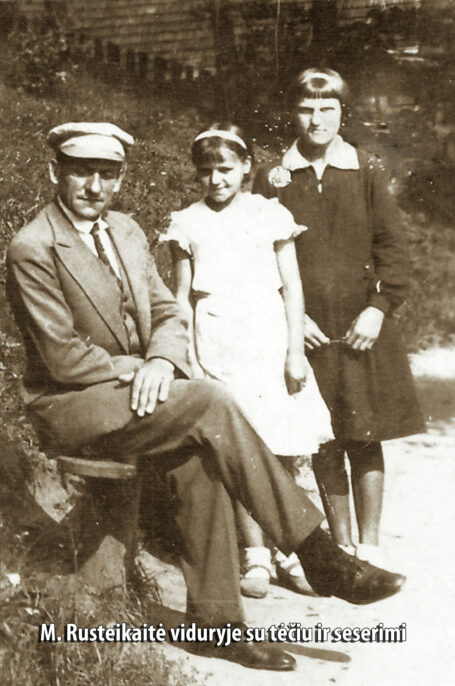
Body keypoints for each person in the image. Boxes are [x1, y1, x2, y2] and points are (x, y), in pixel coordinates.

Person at [7, 122, 406, 672]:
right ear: (56, 173)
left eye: (107, 174)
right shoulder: (32, 247)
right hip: (74, 404)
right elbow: (62, 357)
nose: (95, 187)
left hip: (143, 393)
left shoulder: (125, 230)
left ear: (120, 179)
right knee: (210, 402)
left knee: (201, 454)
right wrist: (144, 369)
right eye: (81, 172)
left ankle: (217, 625)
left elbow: (167, 312)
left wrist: (162, 360)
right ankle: (318, 553)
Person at [253, 68, 425, 568]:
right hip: (306, 331)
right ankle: (343, 546)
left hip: (360, 329)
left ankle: (369, 545)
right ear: (293, 112)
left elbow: (393, 249)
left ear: (342, 113)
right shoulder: (274, 176)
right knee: (323, 434)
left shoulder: (365, 169)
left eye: (327, 109)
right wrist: (291, 318)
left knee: (364, 435)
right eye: (306, 109)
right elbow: (259, 254)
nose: (317, 120)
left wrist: (378, 308)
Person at [162, 122, 333, 599]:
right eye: (205, 170)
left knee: (280, 445)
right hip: (217, 342)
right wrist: (189, 359)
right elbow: (182, 297)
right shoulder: (187, 222)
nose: (215, 179)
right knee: (237, 450)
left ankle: (290, 551)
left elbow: (291, 286)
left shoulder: (269, 214)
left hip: (267, 339)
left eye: (225, 168)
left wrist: (295, 351)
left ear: (246, 168)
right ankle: (255, 553)